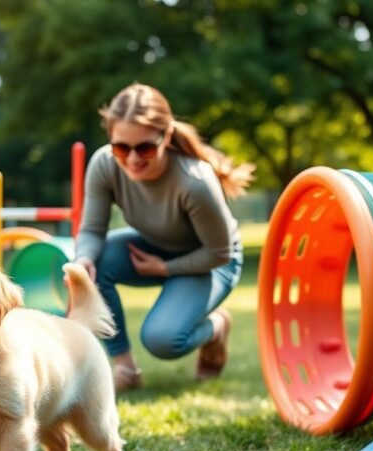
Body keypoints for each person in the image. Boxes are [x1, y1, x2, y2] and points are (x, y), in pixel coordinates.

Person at [74, 83, 254, 391]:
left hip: (211, 261)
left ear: (166, 137)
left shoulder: (194, 182)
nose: (132, 159)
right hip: (153, 246)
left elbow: (219, 252)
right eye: (121, 147)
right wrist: (83, 260)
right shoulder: (104, 164)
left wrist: (166, 269)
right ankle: (126, 369)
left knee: (162, 340)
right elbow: (91, 230)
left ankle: (217, 327)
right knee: (90, 266)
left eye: (144, 148)